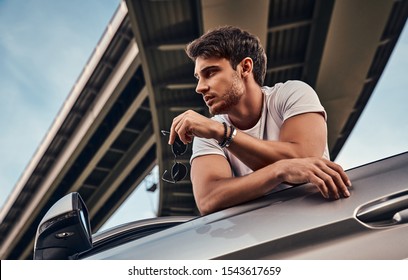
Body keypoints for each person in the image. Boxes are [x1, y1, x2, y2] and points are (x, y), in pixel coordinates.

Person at [168, 26, 351, 215]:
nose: (199, 88)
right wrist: (279, 170)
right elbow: (208, 199)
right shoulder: (207, 133)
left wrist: (224, 134)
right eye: (198, 78)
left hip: (320, 222)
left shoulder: (291, 94)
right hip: (261, 238)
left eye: (210, 73)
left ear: (245, 68)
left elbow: (306, 158)